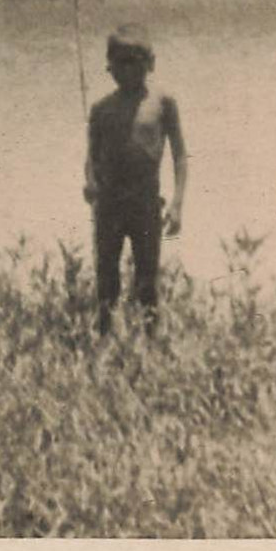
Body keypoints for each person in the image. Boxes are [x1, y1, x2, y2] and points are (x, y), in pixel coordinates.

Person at [83, 25, 188, 335]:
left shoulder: (163, 103)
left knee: (147, 282)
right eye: (121, 62)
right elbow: (92, 156)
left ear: (151, 63)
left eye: (136, 61)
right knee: (107, 280)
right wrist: (90, 182)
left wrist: (178, 204)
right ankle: (105, 342)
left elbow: (180, 155)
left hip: (145, 205)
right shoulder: (101, 109)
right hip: (109, 207)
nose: (128, 69)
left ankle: (152, 344)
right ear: (109, 67)